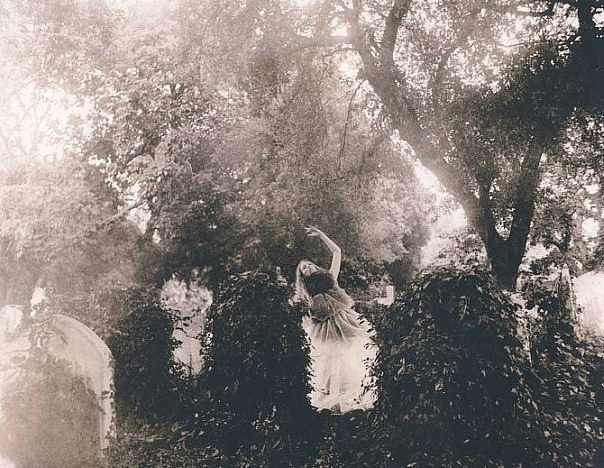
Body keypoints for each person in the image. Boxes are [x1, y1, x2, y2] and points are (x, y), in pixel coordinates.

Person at [294, 226, 376, 413]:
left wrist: (321, 235)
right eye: (303, 268)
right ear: (302, 275)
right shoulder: (305, 293)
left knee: (351, 356)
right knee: (329, 362)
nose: (308, 267)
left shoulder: (330, 278)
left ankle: (357, 393)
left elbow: (337, 252)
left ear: (315, 266)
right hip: (324, 328)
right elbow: (303, 313)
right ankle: (334, 398)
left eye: (309, 264)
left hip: (344, 322)